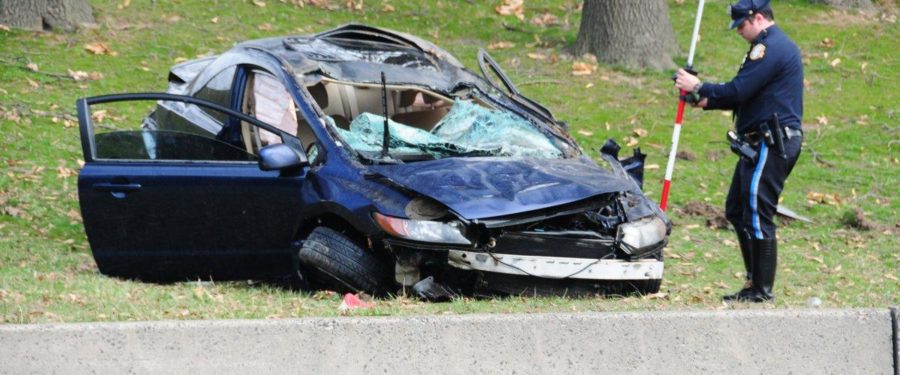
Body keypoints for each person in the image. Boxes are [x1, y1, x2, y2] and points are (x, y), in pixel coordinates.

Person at [674, 0, 803, 302]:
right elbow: (745, 96)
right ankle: (751, 282)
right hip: (757, 143)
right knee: (737, 209)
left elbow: (738, 90)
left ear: (758, 18)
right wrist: (702, 99)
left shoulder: (771, 48)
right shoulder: (765, 47)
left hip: (773, 142)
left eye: (742, 26)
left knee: (758, 211)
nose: (739, 32)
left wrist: (700, 84)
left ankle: (761, 290)